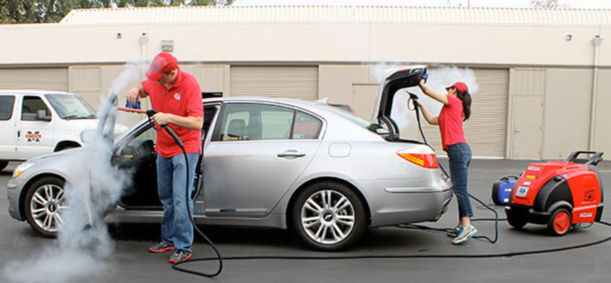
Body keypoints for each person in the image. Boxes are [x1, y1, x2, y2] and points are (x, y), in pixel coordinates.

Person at [126, 52, 203, 263]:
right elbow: (144, 88)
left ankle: (183, 246)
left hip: (185, 147)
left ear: (171, 73)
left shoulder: (190, 85)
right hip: (163, 147)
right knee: (166, 198)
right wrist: (135, 90)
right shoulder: (155, 81)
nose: (157, 82)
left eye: (160, 78)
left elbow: (197, 122)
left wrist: (168, 117)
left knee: (181, 199)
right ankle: (168, 239)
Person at [415, 79, 476, 245]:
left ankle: (468, 225)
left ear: (455, 91)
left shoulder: (455, 103)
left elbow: (429, 92)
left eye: (449, 89)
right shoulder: (447, 109)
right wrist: (420, 105)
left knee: (461, 190)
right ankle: (461, 225)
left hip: (458, 150)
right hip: (459, 151)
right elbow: (431, 120)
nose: (447, 91)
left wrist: (420, 84)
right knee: (459, 189)